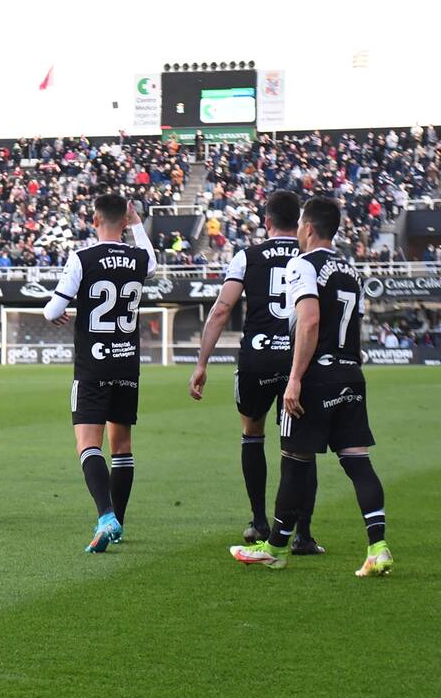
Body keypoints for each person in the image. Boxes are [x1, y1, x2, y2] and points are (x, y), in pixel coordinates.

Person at [231, 197, 393, 576]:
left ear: (307, 228)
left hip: (316, 378)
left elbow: (308, 322)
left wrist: (295, 378)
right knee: (358, 463)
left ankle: (274, 548)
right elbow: (353, 328)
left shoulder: (302, 265)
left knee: (294, 463)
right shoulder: (351, 270)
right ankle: (378, 547)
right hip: (350, 374)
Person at [189, 190, 323, 554]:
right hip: (299, 358)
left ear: (266, 222)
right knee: (299, 446)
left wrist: (202, 363)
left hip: (258, 357)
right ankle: (303, 535)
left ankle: (259, 521)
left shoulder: (247, 257)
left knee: (253, 433)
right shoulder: (309, 256)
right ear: (298, 223)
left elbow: (220, 310)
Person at [43, 195, 156, 552]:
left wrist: (56, 311)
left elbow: (53, 311)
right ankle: (118, 522)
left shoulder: (82, 258)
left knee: (87, 444)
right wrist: (136, 224)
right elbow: (152, 262)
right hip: (126, 362)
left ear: (94, 219)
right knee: (122, 447)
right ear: (125, 220)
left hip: (93, 365)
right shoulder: (139, 258)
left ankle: (106, 515)